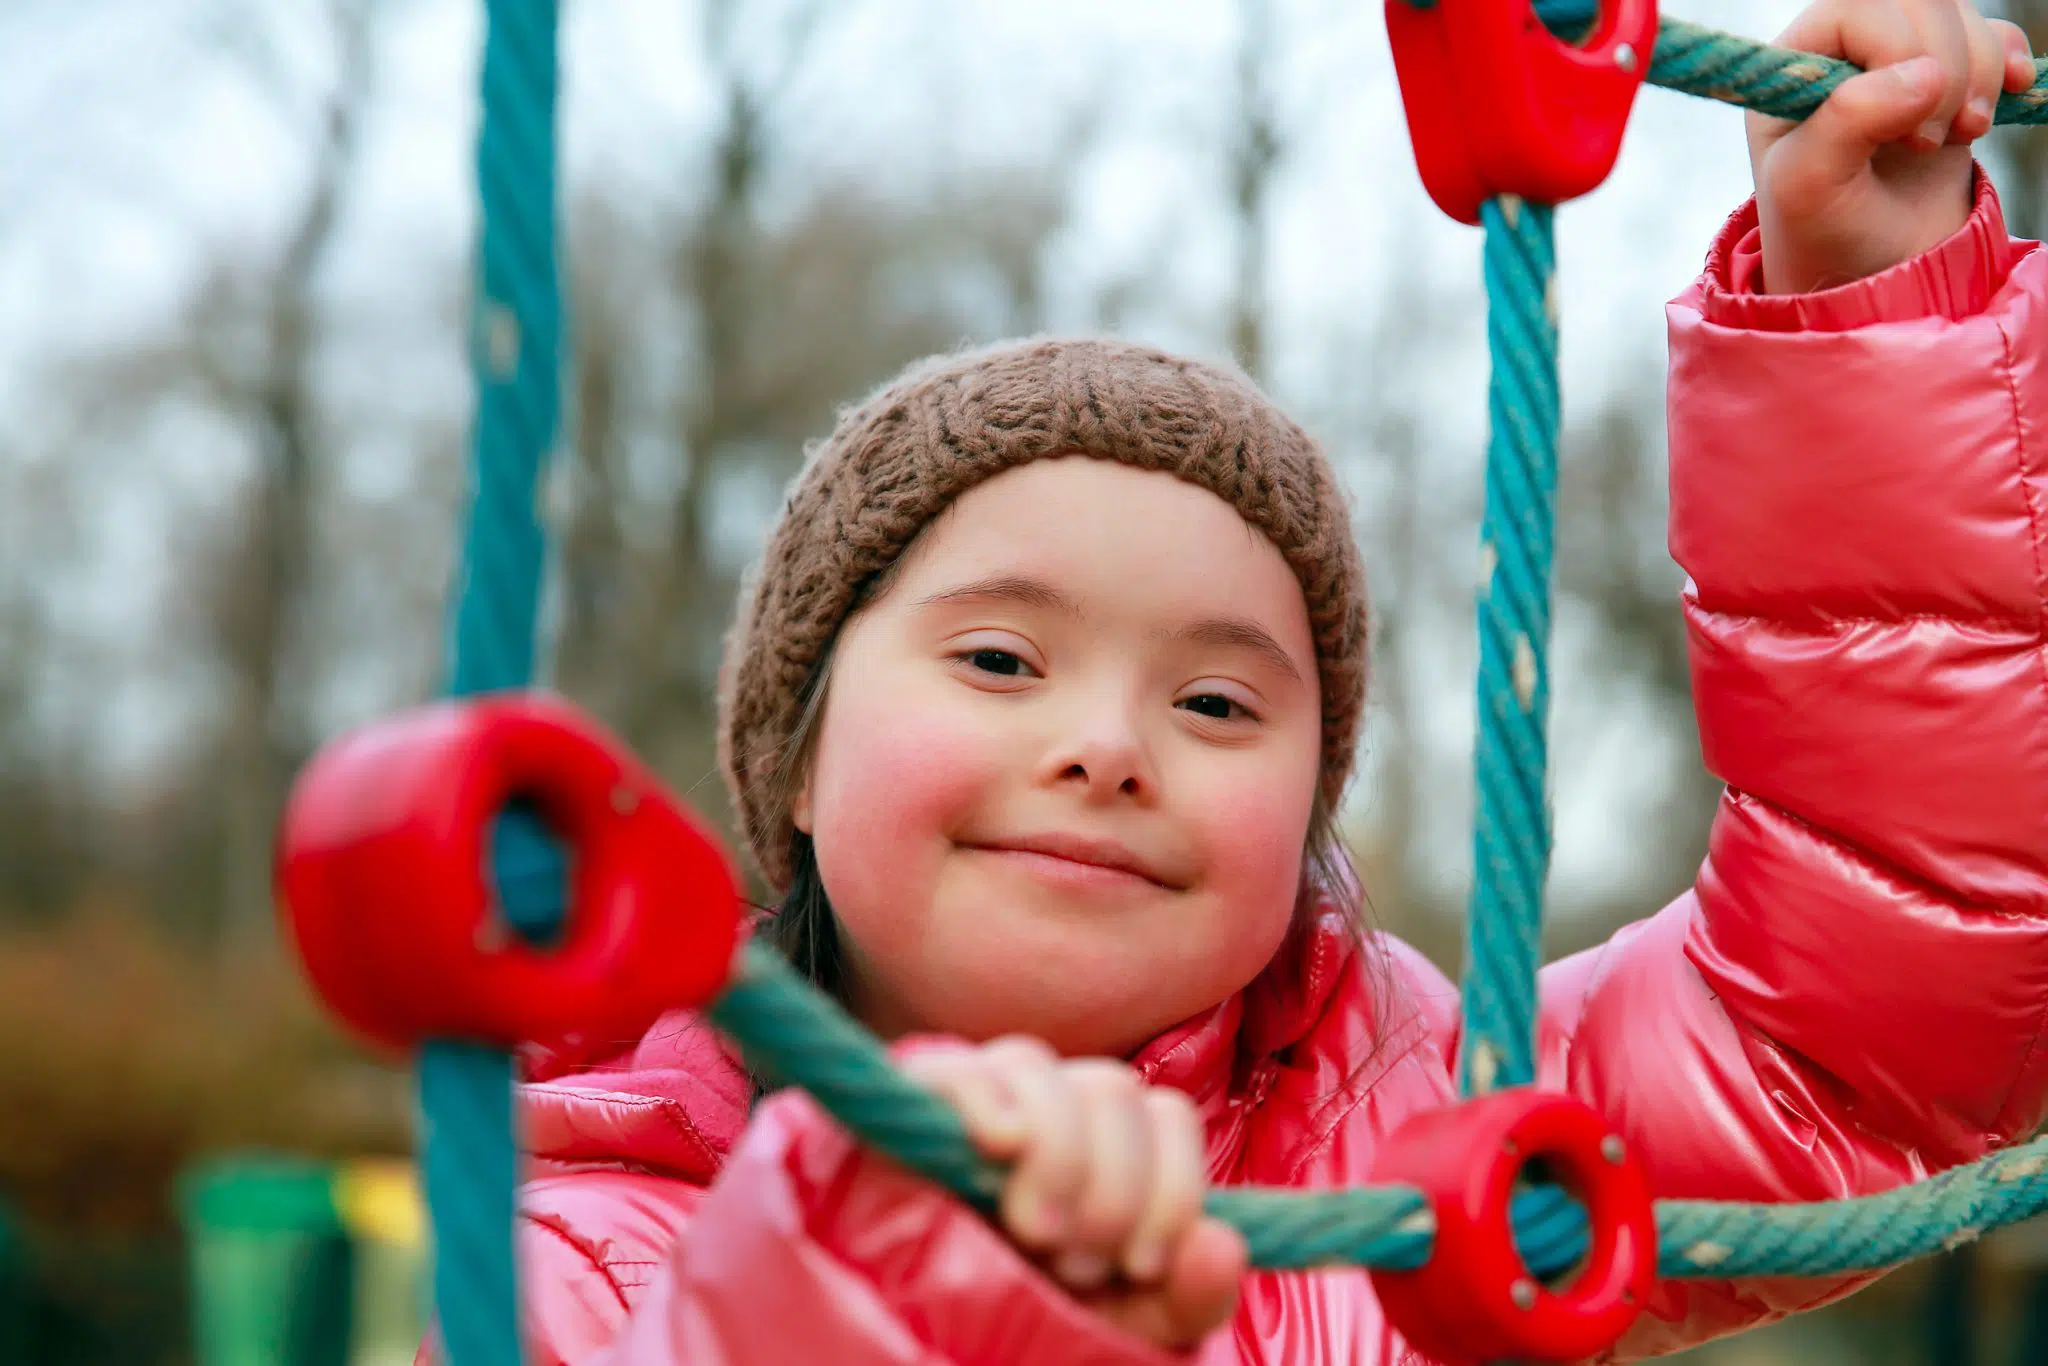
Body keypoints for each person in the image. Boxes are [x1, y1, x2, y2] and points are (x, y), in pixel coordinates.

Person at [469, 1, 2048, 1361]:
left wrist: (1873, 307)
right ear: (799, 761)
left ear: (1304, 808)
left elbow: (1870, 1011)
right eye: (1002, 658)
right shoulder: (587, 1256)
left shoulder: (1447, 1127)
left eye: (1217, 702)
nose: (1105, 746)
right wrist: (875, 1275)